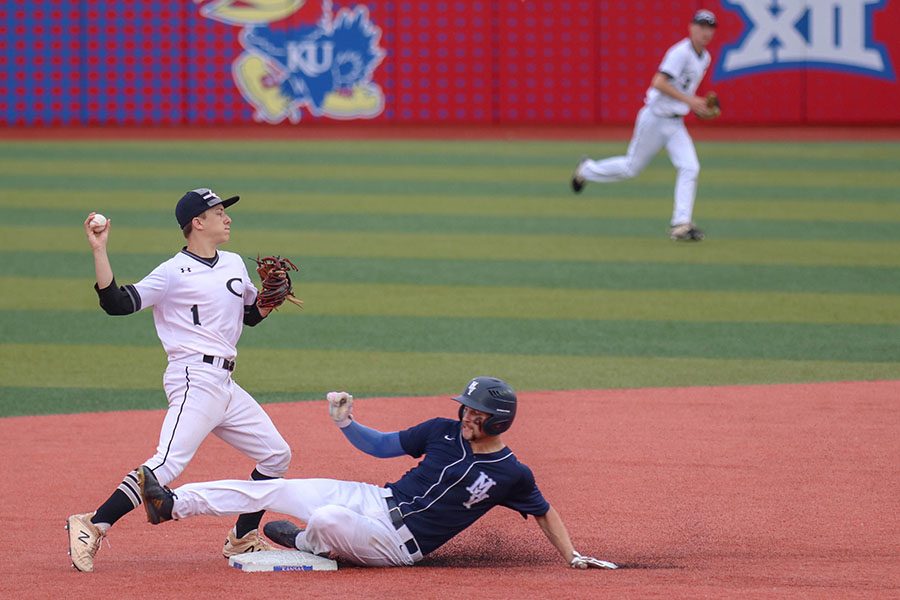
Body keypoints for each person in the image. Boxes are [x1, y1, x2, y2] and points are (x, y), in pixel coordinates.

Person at [136, 376, 618, 570]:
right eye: (465, 408)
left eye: (475, 412)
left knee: (326, 519)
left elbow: (544, 512)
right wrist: (347, 422)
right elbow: (384, 447)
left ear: (499, 421)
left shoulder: (511, 472)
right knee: (276, 487)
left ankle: (305, 544)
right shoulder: (441, 430)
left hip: (399, 546)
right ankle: (173, 504)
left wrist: (573, 555)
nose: (466, 415)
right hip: (375, 500)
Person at [67, 188, 294, 572]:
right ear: (197, 223)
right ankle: (91, 524)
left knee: (276, 456)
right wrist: (99, 250)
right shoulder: (172, 271)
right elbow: (117, 304)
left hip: (225, 384)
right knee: (167, 464)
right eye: (219, 212)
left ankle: (241, 538)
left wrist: (269, 302)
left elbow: (251, 315)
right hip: (193, 378)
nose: (228, 218)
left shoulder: (235, 263)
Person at [571, 9, 719, 241]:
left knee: (690, 167)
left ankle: (680, 224)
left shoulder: (705, 57)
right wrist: (691, 101)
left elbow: (682, 89)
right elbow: (658, 82)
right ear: (691, 27)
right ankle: (586, 169)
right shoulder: (680, 53)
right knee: (631, 167)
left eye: (709, 27)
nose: (705, 31)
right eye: (701, 26)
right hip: (655, 118)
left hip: (675, 123)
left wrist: (695, 106)